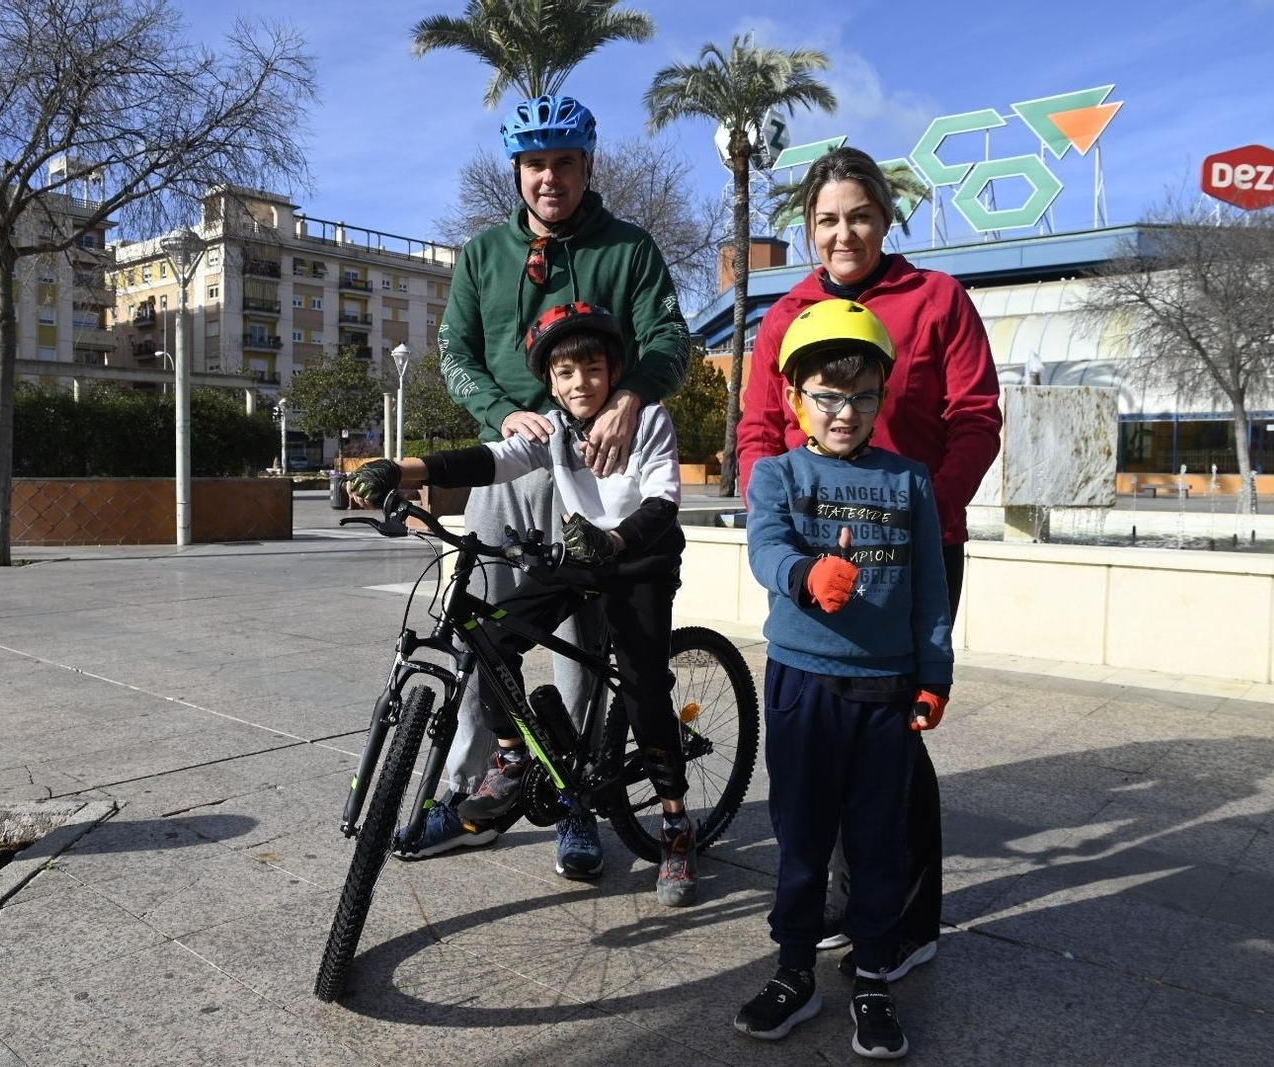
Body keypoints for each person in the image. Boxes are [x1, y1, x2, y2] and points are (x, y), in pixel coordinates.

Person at [407, 93, 691, 877]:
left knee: (586, 646)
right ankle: (476, 790)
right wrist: (502, 413)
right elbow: (456, 351)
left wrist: (631, 395)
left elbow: (671, 336)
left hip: (600, 461)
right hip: (513, 459)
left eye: (564, 162)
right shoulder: (481, 254)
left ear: (586, 165)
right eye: (535, 164)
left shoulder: (629, 249)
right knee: (482, 632)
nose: (549, 178)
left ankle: (576, 805)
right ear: (517, 171)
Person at [737, 146, 1001, 982]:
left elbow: (977, 419)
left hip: (912, 553)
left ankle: (906, 916)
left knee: (895, 743)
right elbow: (755, 433)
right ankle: (840, 903)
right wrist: (777, 519)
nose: (842, 231)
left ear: (884, 219)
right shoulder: (787, 315)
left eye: (858, 214)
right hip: (816, 560)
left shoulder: (937, 299)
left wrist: (931, 513)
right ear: (808, 231)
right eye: (825, 219)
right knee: (821, 743)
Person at [348, 302, 697, 905]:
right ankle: (511, 757)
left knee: (642, 690)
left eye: (592, 368)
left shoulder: (649, 421)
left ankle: (674, 825)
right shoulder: (556, 430)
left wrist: (614, 540)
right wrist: (400, 468)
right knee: (490, 633)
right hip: (582, 554)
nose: (579, 382)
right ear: (551, 383)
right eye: (565, 374)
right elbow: (488, 460)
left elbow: (663, 503)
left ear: (613, 372)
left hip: (640, 560)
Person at [735, 298, 953, 1058]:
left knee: (877, 840)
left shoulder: (910, 481)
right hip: (804, 684)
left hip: (886, 692)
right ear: (796, 398)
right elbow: (763, 545)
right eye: (828, 395)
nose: (845, 410)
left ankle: (871, 977)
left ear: (881, 398)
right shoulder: (778, 475)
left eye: (862, 396)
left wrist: (935, 670)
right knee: (800, 837)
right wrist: (803, 573)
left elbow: (930, 587)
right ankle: (794, 969)